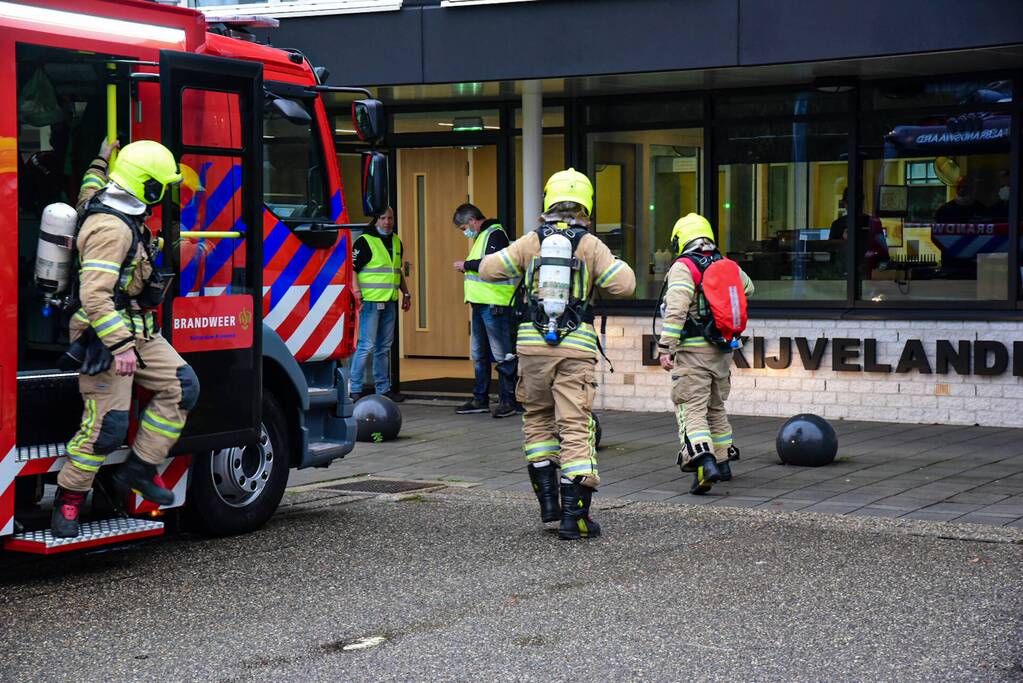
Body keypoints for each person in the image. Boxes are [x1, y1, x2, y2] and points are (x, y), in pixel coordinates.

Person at [51, 139, 200, 538]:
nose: (163, 192)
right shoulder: (111, 229)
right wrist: (119, 346)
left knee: (183, 386)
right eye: (160, 185)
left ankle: (140, 468)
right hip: (102, 334)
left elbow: (89, 181)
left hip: (136, 326)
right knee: (107, 427)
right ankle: (69, 500)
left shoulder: (103, 198)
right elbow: (94, 296)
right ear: (144, 184)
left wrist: (102, 154)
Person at [479, 168, 635, 540]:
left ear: (548, 200)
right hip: (575, 349)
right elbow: (625, 284)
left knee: (537, 419)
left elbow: (488, 270)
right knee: (575, 426)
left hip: (532, 346)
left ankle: (548, 502)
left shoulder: (531, 241)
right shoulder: (590, 244)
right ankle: (574, 517)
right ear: (586, 203)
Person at [657, 213, 753, 495]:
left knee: (691, 408)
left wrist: (666, 348)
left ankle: (704, 460)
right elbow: (748, 287)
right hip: (722, 349)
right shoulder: (726, 264)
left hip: (692, 351)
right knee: (716, 406)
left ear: (680, 239)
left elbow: (676, 309)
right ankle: (723, 464)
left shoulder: (684, 267)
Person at [451, 203, 519, 418]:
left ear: (471, 220)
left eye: (464, 228)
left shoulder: (495, 234)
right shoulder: (482, 237)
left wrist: (466, 265)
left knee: (503, 356)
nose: (465, 232)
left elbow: (493, 265)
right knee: (479, 355)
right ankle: (480, 399)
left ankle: (508, 401)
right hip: (481, 303)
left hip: (494, 305)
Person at [350, 206, 411, 403]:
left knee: (383, 348)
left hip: (390, 301)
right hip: (370, 301)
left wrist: (406, 293)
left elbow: (396, 271)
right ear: (375, 220)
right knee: (366, 346)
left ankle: (383, 390)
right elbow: (353, 269)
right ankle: (355, 389)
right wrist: (357, 293)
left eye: (390, 218)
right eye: (383, 218)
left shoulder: (396, 241)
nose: (387, 222)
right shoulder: (364, 241)